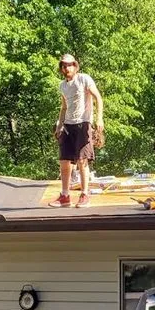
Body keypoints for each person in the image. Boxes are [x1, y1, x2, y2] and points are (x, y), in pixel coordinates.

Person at [49, 54, 104, 208]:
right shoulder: (63, 86)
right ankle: (65, 196)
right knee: (64, 161)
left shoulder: (84, 79)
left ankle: (84, 194)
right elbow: (64, 107)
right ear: (61, 68)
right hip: (68, 124)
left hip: (83, 123)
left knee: (82, 159)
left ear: (75, 66)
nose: (67, 68)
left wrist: (99, 118)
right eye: (64, 66)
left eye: (69, 65)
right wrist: (60, 125)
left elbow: (98, 98)